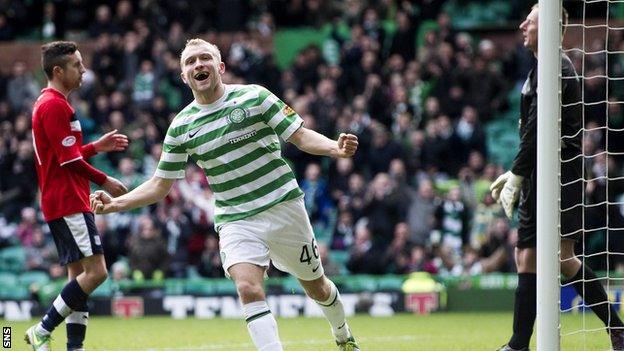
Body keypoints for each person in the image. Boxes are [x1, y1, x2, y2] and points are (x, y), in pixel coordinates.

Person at [90, 38, 362, 351]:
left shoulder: (255, 96)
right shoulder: (181, 126)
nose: (198, 65)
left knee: (317, 287)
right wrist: (115, 204)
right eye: (190, 62)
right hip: (235, 217)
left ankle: (342, 333)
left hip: (283, 206)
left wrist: (334, 148)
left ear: (220, 67)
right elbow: (159, 185)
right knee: (247, 287)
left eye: (205, 58)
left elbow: (299, 136)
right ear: (183, 77)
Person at [490, 5, 624, 351]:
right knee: (528, 257)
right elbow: (531, 132)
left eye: (530, 21)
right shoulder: (540, 68)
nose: (521, 25)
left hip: (560, 176)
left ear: (551, 29)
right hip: (540, 173)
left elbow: (537, 129)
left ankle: (616, 328)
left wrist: (517, 173)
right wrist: (516, 171)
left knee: (562, 258)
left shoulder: (558, 68)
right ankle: (519, 343)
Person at [25, 41, 128, 351]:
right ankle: (41, 330)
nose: (84, 70)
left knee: (79, 277)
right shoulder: (55, 105)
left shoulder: (48, 103)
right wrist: (105, 179)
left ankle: (74, 347)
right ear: (58, 70)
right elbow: (69, 161)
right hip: (69, 201)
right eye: (77, 65)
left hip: (62, 199)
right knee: (97, 272)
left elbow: (63, 155)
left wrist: (96, 147)